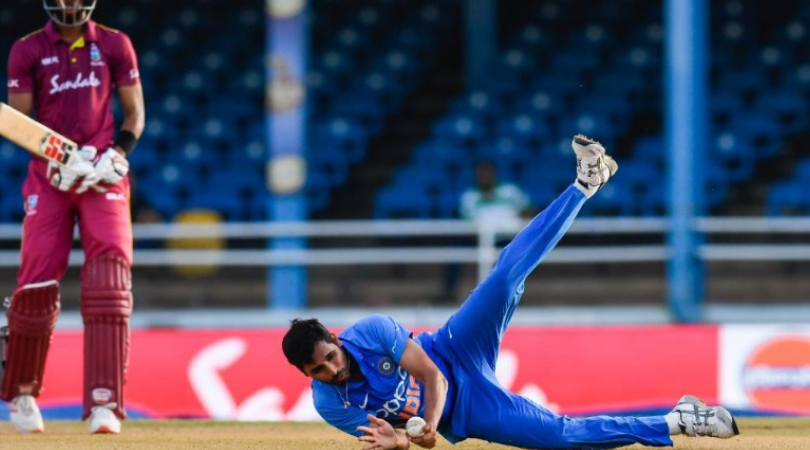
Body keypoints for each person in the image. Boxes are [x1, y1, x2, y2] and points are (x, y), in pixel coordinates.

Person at [282, 135, 740, 450]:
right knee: (561, 438)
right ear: (307, 375)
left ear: (337, 341)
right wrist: (405, 440)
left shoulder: (371, 331)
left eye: (330, 357)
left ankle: (585, 184)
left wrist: (426, 430)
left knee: (503, 278)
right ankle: (678, 420)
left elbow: (432, 377)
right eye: (319, 370)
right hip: (470, 413)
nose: (331, 370)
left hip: (451, 350)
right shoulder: (330, 404)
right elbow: (394, 437)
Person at [2, 0, 144, 434]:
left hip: (102, 175)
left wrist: (118, 156)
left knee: (109, 280)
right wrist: (55, 156)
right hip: (51, 176)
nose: (67, 5)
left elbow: (134, 114)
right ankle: (22, 393)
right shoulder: (27, 50)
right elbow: (16, 121)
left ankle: (105, 403)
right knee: (37, 280)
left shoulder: (116, 44)